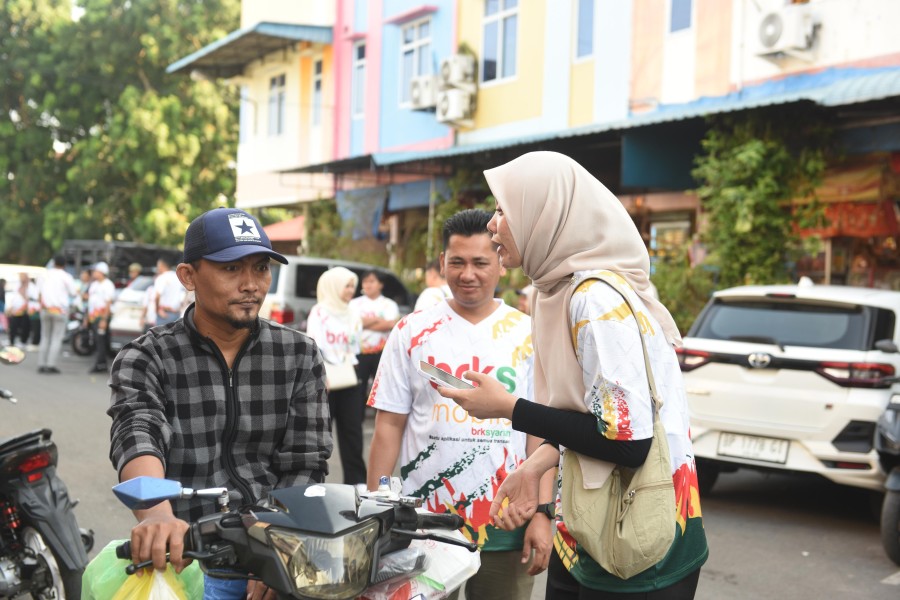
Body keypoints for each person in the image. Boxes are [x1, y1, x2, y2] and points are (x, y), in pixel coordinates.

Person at [438, 152, 708, 599]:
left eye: (505, 209)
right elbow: (592, 415)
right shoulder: (556, 290)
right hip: (586, 533)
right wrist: (538, 463)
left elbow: (630, 443)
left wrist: (509, 409)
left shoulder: (596, 301)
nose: (492, 224)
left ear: (545, 216)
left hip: (640, 546)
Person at [108, 207, 333, 600]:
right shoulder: (146, 357)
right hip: (186, 557)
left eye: (261, 268)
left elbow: (306, 462)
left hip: (273, 549)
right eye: (232, 269)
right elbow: (137, 431)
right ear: (188, 276)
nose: (251, 285)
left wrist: (279, 549)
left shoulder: (298, 354)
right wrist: (158, 514)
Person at [367, 209, 550, 600]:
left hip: (505, 522)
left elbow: (543, 431)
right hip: (422, 527)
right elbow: (389, 425)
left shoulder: (528, 334)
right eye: (458, 262)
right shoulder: (412, 332)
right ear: (442, 264)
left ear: (501, 262)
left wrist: (542, 512)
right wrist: (376, 511)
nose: (468, 274)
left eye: (481, 262)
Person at [305, 267, 366, 485]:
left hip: (349, 378)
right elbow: (314, 346)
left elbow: (355, 346)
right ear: (334, 286)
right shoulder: (320, 312)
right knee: (320, 434)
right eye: (347, 286)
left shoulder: (353, 312)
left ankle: (357, 482)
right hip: (327, 381)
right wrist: (322, 377)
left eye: (352, 286)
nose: (351, 291)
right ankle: (315, 481)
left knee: (353, 432)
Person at [348, 270, 399, 395]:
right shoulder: (354, 303)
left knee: (381, 389)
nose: (367, 285)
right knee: (358, 390)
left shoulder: (389, 304)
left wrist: (363, 323)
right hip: (359, 353)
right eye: (365, 282)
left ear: (380, 284)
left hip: (382, 353)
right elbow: (351, 322)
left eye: (372, 281)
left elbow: (391, 324)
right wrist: (377, 320)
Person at [36, 254, 77, 374]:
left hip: (45, 309)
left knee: (45, 336)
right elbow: (73, 293)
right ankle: (50, 364)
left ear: (53, 263)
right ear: (64, 265)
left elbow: (38, 294)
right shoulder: (66, 277)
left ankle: (41, 364)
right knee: (56, 338)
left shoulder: (44, 275)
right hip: (60, 311)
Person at [85, 261, 115, 373]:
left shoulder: (108, 285)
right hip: (93, 317)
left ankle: (100, 364)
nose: (94, 273)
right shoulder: (94, 285)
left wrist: (104, 320)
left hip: (101, 317)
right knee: (98, 341)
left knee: (101, 341)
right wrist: (87, 318)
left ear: (102, 272)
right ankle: (101, 363)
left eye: (96, 271)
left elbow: (108, 304)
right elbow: (90, 302)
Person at [153, 257, 186, 325]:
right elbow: (185, 294)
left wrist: (157, 310)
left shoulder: (161, 277)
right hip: (176, 313)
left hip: (164, 313)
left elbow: (157, 296)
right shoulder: (177, 277)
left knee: (160, 335)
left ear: (161, 265)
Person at [6, 273, 31, 348]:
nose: (21, 278)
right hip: (16, 310)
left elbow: (33, 298)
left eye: (23, 277)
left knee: (25, 327)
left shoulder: (30, 286)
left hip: (26, 310)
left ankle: (23, 341)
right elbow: (14, 298)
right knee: (13, 326)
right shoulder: (17, 286)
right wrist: (10, 307)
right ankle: (11, 341)